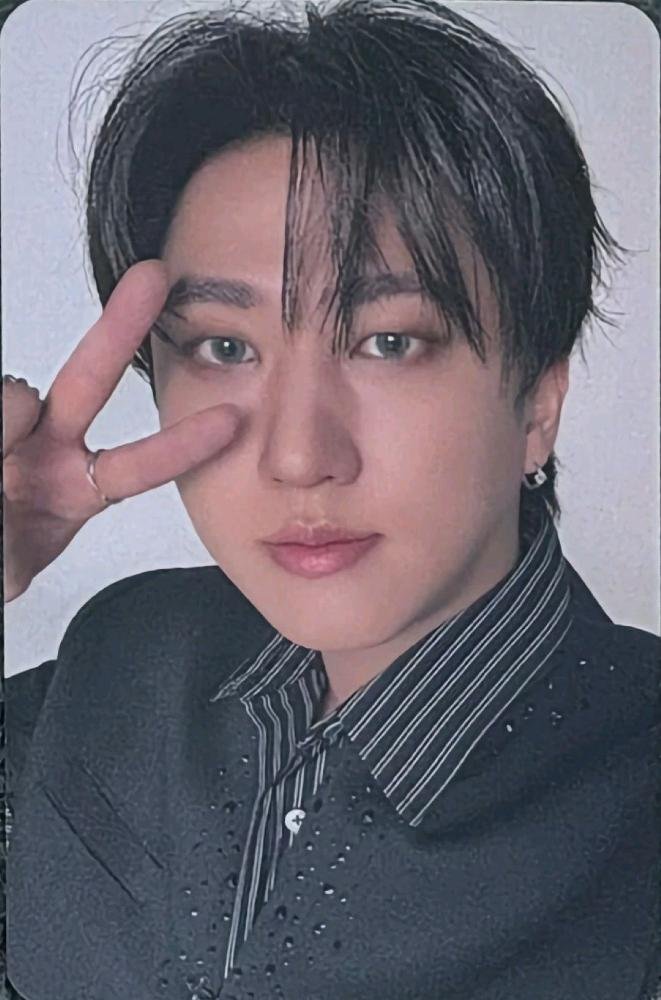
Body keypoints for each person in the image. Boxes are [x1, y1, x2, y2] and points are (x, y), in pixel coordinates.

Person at [3, 1, 659, 998]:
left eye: (387, 342)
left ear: (536, 400)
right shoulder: (118, 658)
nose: (298, 456)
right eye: (224, 347)